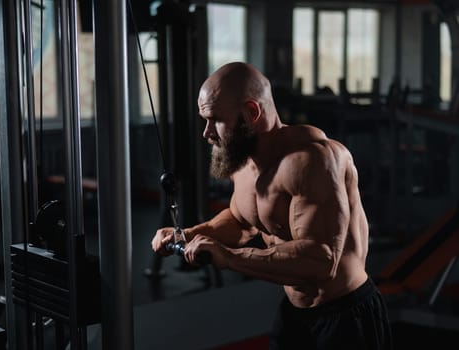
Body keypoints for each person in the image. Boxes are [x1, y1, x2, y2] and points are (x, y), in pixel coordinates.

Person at [151, 62, 393, 349]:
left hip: (345, 317)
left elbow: (320, 260)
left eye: (215, 119)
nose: (207, 133)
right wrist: (189, 234)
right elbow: (241, 220)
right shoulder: (244, 164)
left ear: (252, 113)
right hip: (294, 314)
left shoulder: (312, 160)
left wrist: (229, 257)